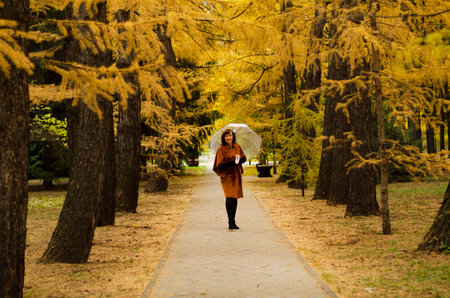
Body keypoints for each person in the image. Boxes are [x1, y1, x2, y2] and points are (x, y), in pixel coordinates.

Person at [213, 129, 247, 230]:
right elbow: (219, 164)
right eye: (226, 136)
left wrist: (239, 159)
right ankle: (230, 221)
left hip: (236, 175)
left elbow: (244, 159)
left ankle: (233, 221)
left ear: (233, 136)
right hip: (227, 176)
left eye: (230, 135)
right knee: (229, 197)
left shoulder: (237, 147)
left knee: (235, 197)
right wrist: (232, 160)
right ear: (224, 137)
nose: (228, 138)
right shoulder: (221, 149)